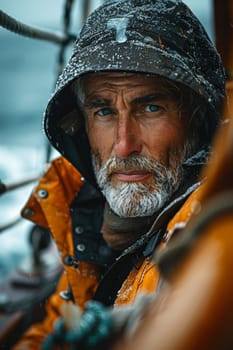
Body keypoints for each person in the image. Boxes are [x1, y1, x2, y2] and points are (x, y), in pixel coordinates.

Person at [14, 0, 225, 348]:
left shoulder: (213, 225)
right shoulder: (81, 210)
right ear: (80, 125)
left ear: (198, 120)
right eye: (103, 111)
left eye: (151, 107)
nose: (124, 145)